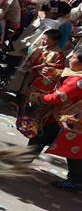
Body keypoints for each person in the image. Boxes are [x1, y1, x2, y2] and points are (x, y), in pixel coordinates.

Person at [25, 48, 82, 192]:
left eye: (74, 57)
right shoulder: (77, 75)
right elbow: (65, 73)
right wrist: (54, 73)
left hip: (68, 120)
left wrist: (38, 97)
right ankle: (76, 180)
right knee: (73, 152)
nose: (69, 58)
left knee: (40, 138)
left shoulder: (79, 80)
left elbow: (58, 97)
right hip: (70, 119)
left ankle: (20, 161)